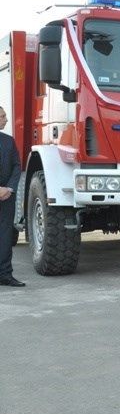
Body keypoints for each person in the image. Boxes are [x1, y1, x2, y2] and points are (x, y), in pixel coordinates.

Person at [0, 107, 24, 287]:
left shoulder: (9, 141)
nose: (6, 119)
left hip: (7, 196)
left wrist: (9, 188)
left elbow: (17, 166)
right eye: (2, 116)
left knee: (6, 235)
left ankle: (5, 275)